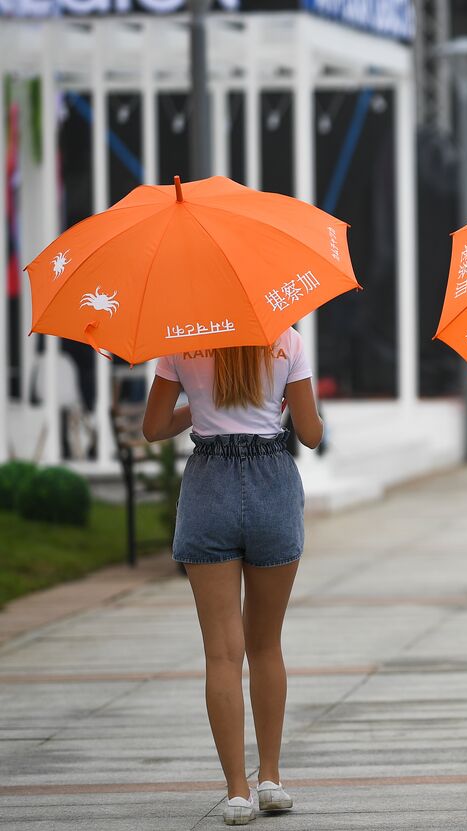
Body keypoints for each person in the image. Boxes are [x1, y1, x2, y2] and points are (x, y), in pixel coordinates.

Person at [142, 330, 322, 826]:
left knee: (221, 653)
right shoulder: (288, 340)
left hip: (209, 490)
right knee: (266, 645)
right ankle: (271, 780)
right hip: (272, 487)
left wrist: (200, 409)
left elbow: (153, 428)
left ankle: (237, 792)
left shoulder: (180, 340)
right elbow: (310, 434)